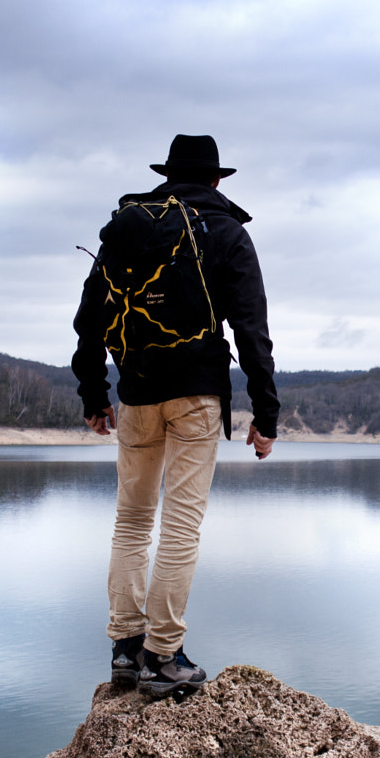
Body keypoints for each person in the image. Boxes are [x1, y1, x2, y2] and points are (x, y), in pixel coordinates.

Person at [72, 134, 279, 699]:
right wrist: (266, 414)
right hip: (196, 398)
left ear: (167, 177)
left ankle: (125, 646)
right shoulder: (228, 234)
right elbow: (251, 330)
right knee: (180, 526)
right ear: (217, 181)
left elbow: (90, 317)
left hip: (136, 393)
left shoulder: (132, 226)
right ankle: (163, 656)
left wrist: (94, 394)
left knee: (132, 519)